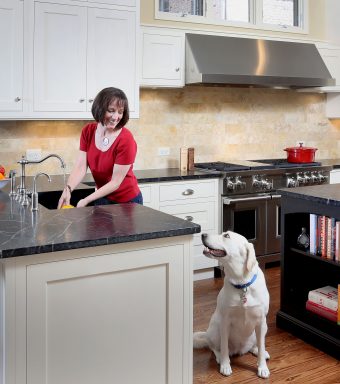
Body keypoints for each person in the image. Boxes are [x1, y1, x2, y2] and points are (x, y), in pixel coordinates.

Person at [58, 87, 142, 209]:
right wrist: (68, 189)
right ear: (100, 108)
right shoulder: (88, 131)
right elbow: (80, 167)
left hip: (127, 202)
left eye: (120, 112)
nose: (115, 117)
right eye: (111, 110)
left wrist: (86, 200)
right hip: (103, 197)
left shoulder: (126, 139)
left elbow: (115, 183)